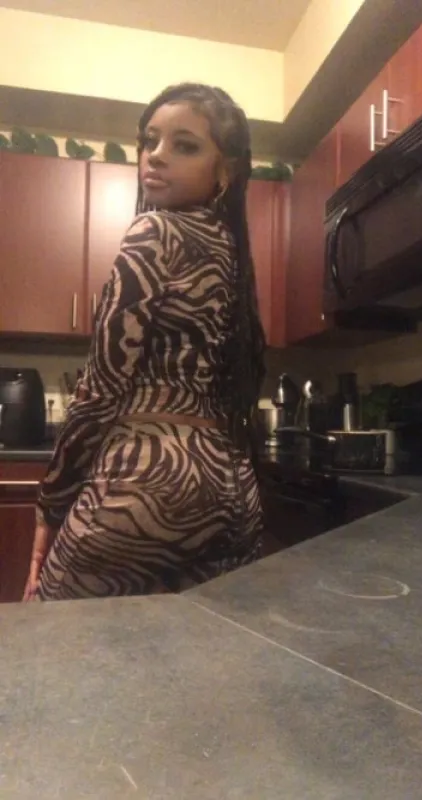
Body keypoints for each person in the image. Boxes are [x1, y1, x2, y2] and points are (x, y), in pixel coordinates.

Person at [23, 83, 266, 602]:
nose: (156, 155)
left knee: (53, 637)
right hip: (231, 487)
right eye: (149, 140)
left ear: (224, 171)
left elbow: (101, 390)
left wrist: (50, 506)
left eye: (185, 145)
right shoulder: (232, 254)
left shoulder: (154, 231)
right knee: (181, 646)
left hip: (145, 481)